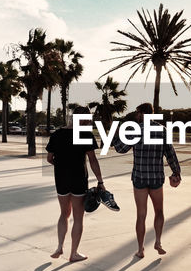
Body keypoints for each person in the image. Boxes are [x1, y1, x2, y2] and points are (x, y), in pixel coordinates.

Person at [113, 103, 182, 258]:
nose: (137, 115)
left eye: (138, 113)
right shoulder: (162, 131)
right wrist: (176, 172)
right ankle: (158, 241)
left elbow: (120, 148)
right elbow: (170, 153)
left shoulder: (135, 130)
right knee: (159, 211)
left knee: (141, 215)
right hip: (156, 178)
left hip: (140, 178)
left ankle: (140, 249)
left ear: (142, 114)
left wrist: (117, 134)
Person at [45, 105, 106, 262]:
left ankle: (59, 247)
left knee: (64, 213)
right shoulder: (84, 135)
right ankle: (74, 253)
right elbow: (92, 160)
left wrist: (61, 167)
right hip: (78, 179)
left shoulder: (57, 134)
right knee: (78, 217)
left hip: (61, 179)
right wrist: (100, 181)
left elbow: (49, 158)